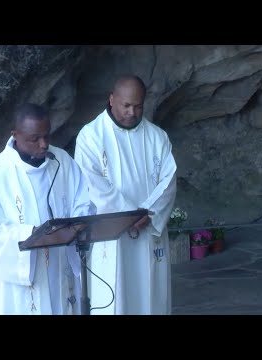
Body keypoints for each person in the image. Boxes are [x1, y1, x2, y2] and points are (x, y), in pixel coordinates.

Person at [0, 103, 92, 315]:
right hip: (24, 276)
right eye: (34, 139)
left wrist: (77, 224)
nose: (44, 144)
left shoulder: (61, 161)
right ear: (15, 135)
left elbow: (83, 201)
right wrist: (33, 234)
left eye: (47, 136)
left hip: (58, 266)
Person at [74, 74, 177, 315]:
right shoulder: (90, 136)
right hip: (112, 236)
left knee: (150, 299)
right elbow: (92, 184)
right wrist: (130, 216)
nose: (132, 112)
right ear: (112, 100)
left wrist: (148, 213)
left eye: (138, 106)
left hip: (148, 229)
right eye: (126, 105)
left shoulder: (157, 137)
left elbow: (169, 180)